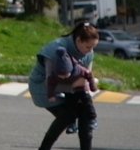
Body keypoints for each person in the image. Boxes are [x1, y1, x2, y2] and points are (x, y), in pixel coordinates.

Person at [28, 22, 100, 150]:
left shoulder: (88, 53)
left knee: (85, 112)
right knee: (67, 115)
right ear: (78, 40)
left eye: (93, 47)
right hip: (43, 87)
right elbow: (50, 82)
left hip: (71, 90)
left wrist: (86, 86)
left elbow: (86, 78)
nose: (90, 51)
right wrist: (73, 85)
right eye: (88, 47)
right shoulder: (56, 49)